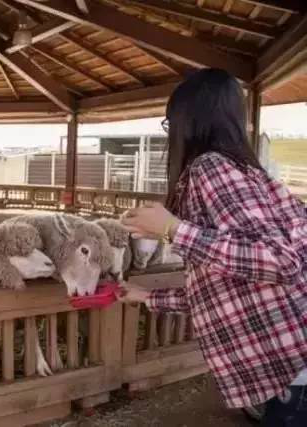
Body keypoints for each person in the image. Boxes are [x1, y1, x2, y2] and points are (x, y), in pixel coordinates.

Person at [118, 68, 306, 426]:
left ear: (188, 122)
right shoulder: (246, 172)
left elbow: (280, 261)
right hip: (293, 371)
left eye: (170, 122)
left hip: (294, 372)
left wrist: (173, 229)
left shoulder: (212, 167)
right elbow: (226, 293)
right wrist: (147, 297)